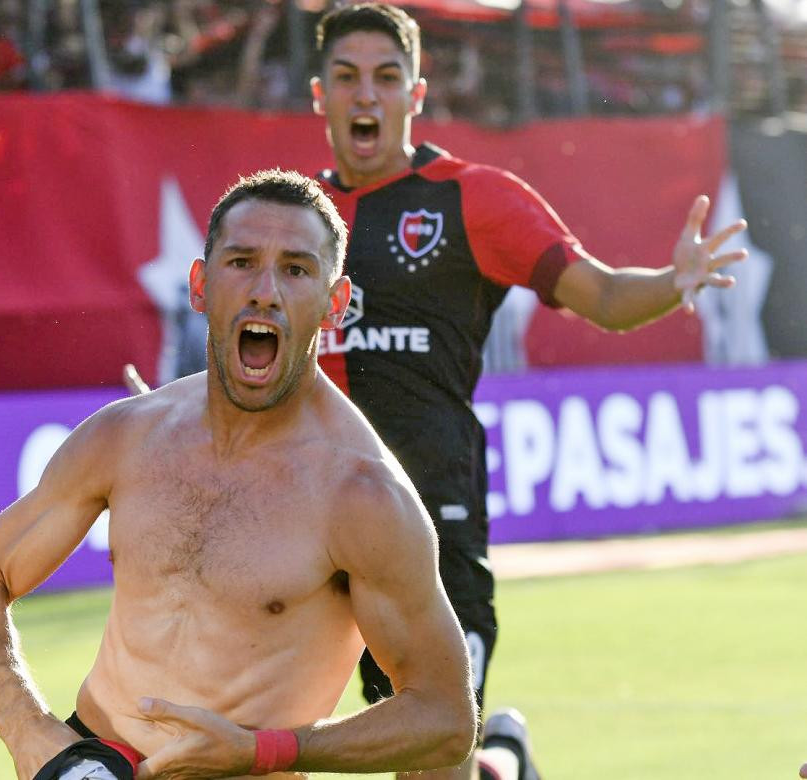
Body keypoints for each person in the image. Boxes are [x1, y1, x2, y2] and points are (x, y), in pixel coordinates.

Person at [307, 5, 749, 780]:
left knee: (431, 752)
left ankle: (500, 757)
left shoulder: (473, 198)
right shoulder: (291, 218)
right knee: (258, 740)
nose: (365, 96)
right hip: (305, 516)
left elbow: (605, 298)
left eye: (386, 78)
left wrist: (673, 283)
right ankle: (500, 756)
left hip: (429, 508)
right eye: (346, 78)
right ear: (320, 96)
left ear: (416, 94)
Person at [0, 170, 477, 780]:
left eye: (297, 269)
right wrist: (30, 732)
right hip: (95, 763)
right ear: (200, 285)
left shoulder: (362, 495)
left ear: (335, 305)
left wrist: (266, 750)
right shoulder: (128, 435)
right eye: (242, 262)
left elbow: (446, 719)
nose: (265, 291)